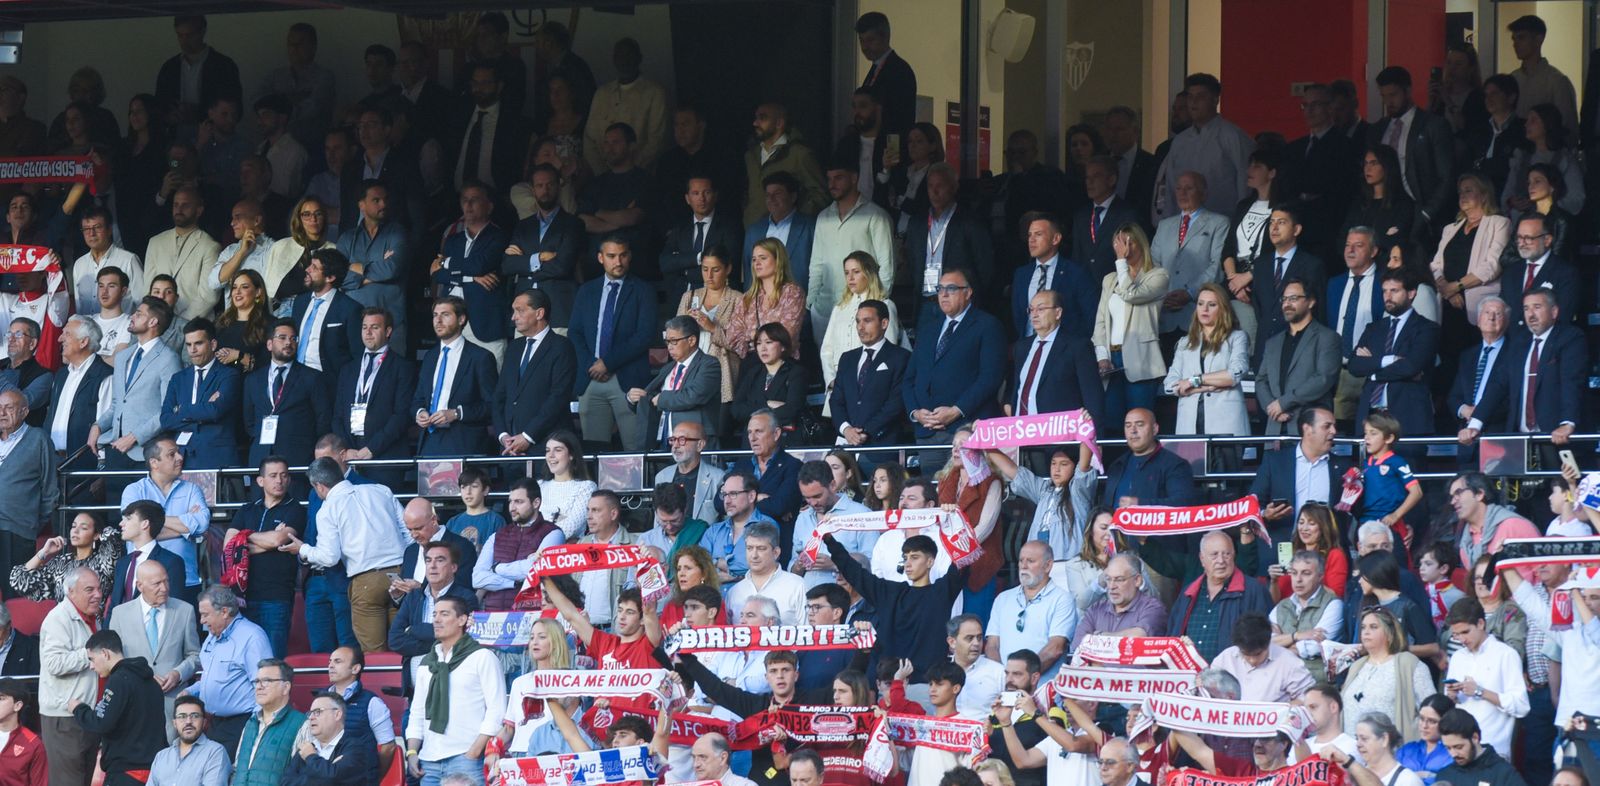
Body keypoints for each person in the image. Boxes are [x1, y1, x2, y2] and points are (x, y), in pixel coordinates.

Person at [281, 457, 407, 652]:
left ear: (319, 486)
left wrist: (303, 549)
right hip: (400, 575)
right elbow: (408, 532)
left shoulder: (328, 508)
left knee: (374, 654)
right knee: (401, 646)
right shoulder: (381, 490)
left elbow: (329, 557)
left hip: (366, 580)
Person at [826, 532, 968, 688]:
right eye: (905, 557)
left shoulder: (942, 592)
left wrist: (955, 522)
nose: (907, 563)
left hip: (928, 686)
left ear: (930, 561)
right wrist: (829, 539)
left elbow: (963, 560)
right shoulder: (889, 593)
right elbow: (854, 572)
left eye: (914, 557)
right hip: (888, 684)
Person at [904, 268, 1004, 469]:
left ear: (968, 293)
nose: (944, 294)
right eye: (940, 289)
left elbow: (990, 378)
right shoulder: (928, 329)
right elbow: (909, 379)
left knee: (970, 493)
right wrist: (916, 413)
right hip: (928, 432)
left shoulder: (987, 325)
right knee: (932, 495)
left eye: (951, 288)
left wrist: (957, 410)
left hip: (966, 429)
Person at [1463, 288, 1586, 453]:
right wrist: (1475, 424)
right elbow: (1499, 385)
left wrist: (1567, 423)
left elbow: (1571, 382)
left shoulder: (1570, 338)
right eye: (1526, 308)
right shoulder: (1519, 342)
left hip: (1555, 436)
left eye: (1537, 307)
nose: (1531, 314)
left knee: (1559, 479)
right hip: (1519, 438)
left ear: (1554, 311)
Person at [401, 593, 504, 782]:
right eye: (434, 614)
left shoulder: (482, 657)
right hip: (429, 760)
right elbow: (417, 712)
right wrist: (412, 751)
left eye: (444, 614)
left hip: (466, 758)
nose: (436, 620)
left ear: (462, 620)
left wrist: (474, 752)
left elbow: (497, 710)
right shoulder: (427, 662)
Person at [570, 235, 655, 452]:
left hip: (627, 379)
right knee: (593, 451)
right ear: (600, 258)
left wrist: (607, 363)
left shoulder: (643, 290)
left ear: (630, 256)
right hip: (591, 379)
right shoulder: (586, 290)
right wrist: (592, 364)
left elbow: (644, 336)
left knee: (635, 451)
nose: (618, 262)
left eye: (623, 255)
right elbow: (575, 333)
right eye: (611, 256)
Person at [106, 560, 199, 730]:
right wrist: (142, 675)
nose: (164, 588)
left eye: (166, 581)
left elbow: (195, 655)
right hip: (134, 704)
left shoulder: (185, 611)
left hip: (172, 706)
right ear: (139, 586)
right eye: (157, 583)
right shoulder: (120, 614)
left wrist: (178, 673)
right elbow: (114, 661)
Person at [1093, 224, 1170, 426]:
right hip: (1112, 361)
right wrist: (1102, 358)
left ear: (1141, 243)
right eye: (1119, 243)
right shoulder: (1109, 280)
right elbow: (1100, 322)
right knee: (1112, 424)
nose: (1123, 248)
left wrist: (1121, 262)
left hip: (1141, 360)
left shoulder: (1158, 275)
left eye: (1128, 242)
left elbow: (1131, 294)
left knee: (1140, 423)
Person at [808, 158, 895, 337]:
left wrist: (877, 306)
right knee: (827, 362)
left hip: (861, 310)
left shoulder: (875, 216)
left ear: (854, 178)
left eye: (838, 178)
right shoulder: (823, 217)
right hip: (824, 308)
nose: (832, 184)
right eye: (829, 179)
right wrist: (811, 303)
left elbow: (886, 266)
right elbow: (816, 264)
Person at [118, 434, 209, 602]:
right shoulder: (133, 490)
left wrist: (152, 520)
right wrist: (185, 528)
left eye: (178, 453)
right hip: (143, 582)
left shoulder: (192, 490)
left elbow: (202, 524)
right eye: (171, 454)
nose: (180, 457)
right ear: (154, 463)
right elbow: (135, 531)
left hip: (185, 580)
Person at [93, 296, 181, 470]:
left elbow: (169, 410)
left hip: (146, 452)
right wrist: (98, 426)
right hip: (115, 448)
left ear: (153, 322)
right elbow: (118, 402)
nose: (132, 316)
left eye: (139, 314)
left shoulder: (168, 358)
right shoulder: (123, 356)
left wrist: (133, 437)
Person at [1349, 269, 1439, 438]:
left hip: (1407, 417)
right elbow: (1354, 365)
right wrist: (1387, 360)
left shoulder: (1426, 328)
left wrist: (1373, 372)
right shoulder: (1374, 328)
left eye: (1394, 291)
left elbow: (1411, 366)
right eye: (1384, 291)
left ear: (1411, 293)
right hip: (1371, 416)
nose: (1387, 296)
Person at [70, 629, 167, 785]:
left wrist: (78, 709)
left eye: (92, 659)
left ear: (105, 653)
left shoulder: (118, 681)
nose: (91, 666)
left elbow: (101, 723)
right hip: (155, 769)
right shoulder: (151, 681)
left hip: (126, 771)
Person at [1370, 66, 1457, 238]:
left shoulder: (1433, 125)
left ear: (1408, 91)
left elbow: (1447, 176)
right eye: (1384, 96)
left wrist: (1427, 213)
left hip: (1420, 209)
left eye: (1393, 95)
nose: (1388, 102)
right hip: (1386, 207)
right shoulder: (1378, 130)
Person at [187, 586, 271, 757]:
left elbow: (265, 684)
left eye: (205, 614)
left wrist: (255, 728)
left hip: (241, 724)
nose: (201, 620)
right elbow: (216, 677)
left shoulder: (252, 637)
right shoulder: (212, 635)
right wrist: (189, 691)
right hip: (214, 723)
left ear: (224, 612)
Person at [332, 308, 416, 479]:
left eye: (375, 327)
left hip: (385, 458)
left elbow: (401, 416)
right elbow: (337, 415)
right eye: (364, 327)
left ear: (388, 331)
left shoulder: (403, 368)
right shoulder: (348, 369)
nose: (368, 333)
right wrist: (346, 449)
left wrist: (372, 449)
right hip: (351, 458)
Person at [906, 163, 994, 323]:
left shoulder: (970, 222)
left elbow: (984, 266)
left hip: (959, 304)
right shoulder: (917, 223)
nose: (935, 191)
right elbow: (912, 261)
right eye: (930, 186)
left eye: (940, 185)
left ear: (954, 187)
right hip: (926, 302)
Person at [410, 296, 497, 458]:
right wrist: (420, 412)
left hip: (464, 442)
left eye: (445, 315)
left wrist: (457, 413)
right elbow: (418, 398)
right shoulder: (430, 356)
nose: (438, 320)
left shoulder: (480, 357)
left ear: (461, 319)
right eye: (435, 315)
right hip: (430, 439)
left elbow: (492, 405)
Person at [1166, 531, 1272, 662]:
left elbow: (1265, 639)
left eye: (1226, 554)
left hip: (1234, 676)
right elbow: (1172, 637)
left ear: (1234, 556)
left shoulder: (1254, 590)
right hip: (1190, 677)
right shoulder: (1188, 593)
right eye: (1214, 555)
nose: (1221, 560)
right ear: (1202, 559)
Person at [493, 289, 577, 454]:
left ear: (539, 313)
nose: (513, 317)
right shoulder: (514, 348)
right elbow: (499, 395)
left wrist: (527, 436)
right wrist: (503, 435)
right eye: (514, 311)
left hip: (547, 446)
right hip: (510, 447)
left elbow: (558, 397)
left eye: (520, 310)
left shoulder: (561, 346)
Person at [39, 567, 102, 786]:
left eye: (99, 588)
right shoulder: (58, 619)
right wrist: (91, 654)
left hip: (85, 714)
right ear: (71, 592)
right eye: (89, 589)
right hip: (64, 717)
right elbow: (54, 664)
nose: (98, 594)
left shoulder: (91, 617)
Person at [1441, 598, 1528, 755]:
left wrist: (1480, 691)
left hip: (1493, 749)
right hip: (1459, 749)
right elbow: (1450, 705)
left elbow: (1521, 706)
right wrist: (1451, 697)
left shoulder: (1506, 654)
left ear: (1481, 624)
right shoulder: (1457, 657)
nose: (1461, 639)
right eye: (1456, 635)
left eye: (1465, 632)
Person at [502, 165, 583, 332]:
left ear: (559, 185)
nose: (545, 190)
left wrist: (524, 263)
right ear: (533, 190)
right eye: (539, 186)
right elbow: (507, 265)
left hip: (559, 310)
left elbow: (562, 266)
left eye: (550, 184)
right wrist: (538, 258)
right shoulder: (523, 226)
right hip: (524, 312)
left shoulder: (573, 224)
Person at [1160, 74, 1254, 215]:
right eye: (1190, 97)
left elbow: (1245, 184)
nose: (1194, 102)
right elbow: (1171, 186)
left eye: (1200, 97)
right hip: (1185, 222)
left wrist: (1240, 220)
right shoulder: (1180, 141)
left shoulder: (1232, 136)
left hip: (1224, 219)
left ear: (1215, 99)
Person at [1163, 283, 1249, 437]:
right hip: (1189, 423)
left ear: (1222, 308)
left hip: (1226, 422)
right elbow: (1170, 385)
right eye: (1200, 304)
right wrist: (1207, 387)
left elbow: (1233, 375)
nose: (1205, 309)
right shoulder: (1184, 342)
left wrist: (1193, 381)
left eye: (1212, 305)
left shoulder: (1237, 337)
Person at [1256, 280, 1340, 436]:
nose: (1286, 304)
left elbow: (1323, 378)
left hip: (1310, 428)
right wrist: (1273, 408)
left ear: (1310, 302)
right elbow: (1261, 380)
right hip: (1275, 427)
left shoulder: (1327, 337)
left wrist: (1283, 403)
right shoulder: (1273, 342)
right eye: (1284, 299)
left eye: (1293, 298)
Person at [242, 319, 329, 469]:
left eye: (293, 339)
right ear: (269, 344)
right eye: (282, 338)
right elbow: (249, 421)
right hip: (261, 458)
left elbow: (323, 419)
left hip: (297, 459)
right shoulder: (253, 379)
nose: (288, 342)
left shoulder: (312, 377)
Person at [1341, 605, 1437, 739]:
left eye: (1373, 627)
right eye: (1363, 627)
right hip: (1354, 750)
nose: (1366, 632)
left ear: (1389, 633)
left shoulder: (1408, 664)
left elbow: (1432, 708)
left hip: (1394, 752)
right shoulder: (1356, 665)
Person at [158, 318, 241, 469]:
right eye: (189, 344)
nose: (192, 350)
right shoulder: (178, 379)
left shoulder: (229, 375)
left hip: (217, 458)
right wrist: (202, 411)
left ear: (213, 344)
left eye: (198, 343)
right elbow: (165, 420)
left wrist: (181, 409)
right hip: (182, 458)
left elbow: (215, 411)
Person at [473, 478, 563, 612]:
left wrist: (496, 568)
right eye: (510, 501)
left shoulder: (554, 533)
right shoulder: (497, 535)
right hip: (493, 618)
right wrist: (514, 582)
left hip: (532, 618)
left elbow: (535, 570)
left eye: (519, 502)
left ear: (536, 503)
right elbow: (477, 579)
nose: (512, 508)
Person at [632, 315, 721, 449]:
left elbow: (693, 395)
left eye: (674, 341)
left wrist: (662, 399)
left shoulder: (709, 364)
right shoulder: (668, 368)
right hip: (663, 441)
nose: (669, 347)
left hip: (693, 443)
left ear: (691, 340)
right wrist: (633, 399)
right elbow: (651, 399)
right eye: (667, 342)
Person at [831, 299, 912, 447]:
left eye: (867, 321)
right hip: (847, 444)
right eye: (858, 321)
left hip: (883, 444)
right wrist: (846, 429)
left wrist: (866, 431)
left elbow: (896, 403)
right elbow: (836, 399)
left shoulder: (900, 357)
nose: (860, 327)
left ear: (884, 323)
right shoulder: (847, 358)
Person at [984, 542, 1074, 675]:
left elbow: (1055, 649)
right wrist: (1005, 678)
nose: (1024, 566)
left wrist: (1024, 678)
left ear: (1048, 565)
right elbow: (992, 646)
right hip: (1004, 687)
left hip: (1042, 690)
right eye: (1021, 561)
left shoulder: (1062, 599)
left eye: (1031, 561)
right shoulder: (1003, 599)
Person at [1445, 473, 1541, 582]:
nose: (1453, 501)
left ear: (1479, 494)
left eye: (1458, 493)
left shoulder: (1515, 525)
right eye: (1452, 496)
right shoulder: (1465, 545)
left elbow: (1542, 571)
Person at [1270, 549, 1345, 683]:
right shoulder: (1282, 606)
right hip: (1282, 683)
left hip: (1317, 686)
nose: (1298, 579)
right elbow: (1263, 641)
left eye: (1306, 573)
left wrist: (1278, 643)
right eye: (1294, 573)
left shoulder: (1333, 604)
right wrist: (1297, 636)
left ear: (1320, 576)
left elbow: (1313, 647)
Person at [1211, 612, 1315, 702]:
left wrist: (1280, 712)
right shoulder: (1225, 659)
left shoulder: (1289, 662)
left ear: (1268, 643)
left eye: (1258, 654)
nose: (1252, 660)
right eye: (1246, 655)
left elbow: (1307, 697)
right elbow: (1210, 691)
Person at [281, 692, 377, 786]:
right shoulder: (306, 748)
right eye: (310, 713)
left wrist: (311, 756)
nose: (311, 717)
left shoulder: (356, 748)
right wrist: (326, 773)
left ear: (337, 714)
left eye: (318, 712)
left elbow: (333, 779)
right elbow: (285, 782)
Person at [729, 322, 806, 437]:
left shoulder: (796, 372)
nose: (763, 348)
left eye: (769, 342)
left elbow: (792, 410)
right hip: (752, 439)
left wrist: (753, 409)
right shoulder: (753, 373)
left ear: (783, 346)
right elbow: (736, 410)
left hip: (783, 438)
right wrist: (768, 404)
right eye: (759, 344)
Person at [730, 410, 802, 529]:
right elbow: (719, 502)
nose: (752, 438)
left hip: (776, 540)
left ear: (776, 434)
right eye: (749, 432)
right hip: (741, 539)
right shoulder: (742, 465)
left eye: (758, 431)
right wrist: (758, 497)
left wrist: (740, 500)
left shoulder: (793, 466)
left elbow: (779, 507)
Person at [725, 521, 806, 625]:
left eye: (761, 549)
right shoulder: (734, 592)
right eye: (749, 548)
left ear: (776, 552)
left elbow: (808, 633)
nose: (754, 555)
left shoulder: (797, 586)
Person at [325, 645, 395, 764]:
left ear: (355, 668)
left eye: (337, 661)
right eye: (330, 661)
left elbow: (388, 747)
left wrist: (373, 778)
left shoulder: (372, 702)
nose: (330, 666)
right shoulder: (321, 699)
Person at [1507, 15, 1579, 132]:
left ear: (1539, 39)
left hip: (1546, 148)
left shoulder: (1557, 81)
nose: (1515, 44)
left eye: (1521, 38)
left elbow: (1568, 127)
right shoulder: (1512, 78)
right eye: (1514, 39)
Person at [396, 499, 477, 596]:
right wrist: (398, 595)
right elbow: (404, 601)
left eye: (418, 528)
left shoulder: (462, 547)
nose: (413, 535)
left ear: (434, 520)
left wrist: (421, 589)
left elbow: (465, 588)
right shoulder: (410, 551)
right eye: (410, 529)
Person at [145, 695, 231, 786]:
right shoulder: (161, 756)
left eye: (195, 716)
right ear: (175, 723)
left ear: (204, 722)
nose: (188, 721)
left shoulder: (215, 752)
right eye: (182, 716)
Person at [654, 421, 725, 525]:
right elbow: (657, 523)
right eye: (673, 440)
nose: (675, 446)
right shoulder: (662, 476)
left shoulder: (717, 477)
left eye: (682, 440)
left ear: (700, 445)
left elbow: (727, 522)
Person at [1434, 708, 1528, 786]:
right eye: (1448, 748)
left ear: (1475, 737)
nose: (1453, 754)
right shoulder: (1445, 776)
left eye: (1458, 747)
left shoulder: (1503, 774)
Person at [538, 431, 597, 539]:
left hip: (564, 551)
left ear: (571, 455)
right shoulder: (540, 485)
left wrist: (537, 539)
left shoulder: (586, 487)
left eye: (558, 450)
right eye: (547, 451)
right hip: (531, 549)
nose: (550, 455)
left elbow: (570, 527)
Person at [1396, 695, 1458, 786]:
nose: (1424, 726)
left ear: (1446, 722)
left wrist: (1430, 775)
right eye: (1421, 718)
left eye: (1432, 721)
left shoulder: (1453, 753)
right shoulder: (1407, 750)